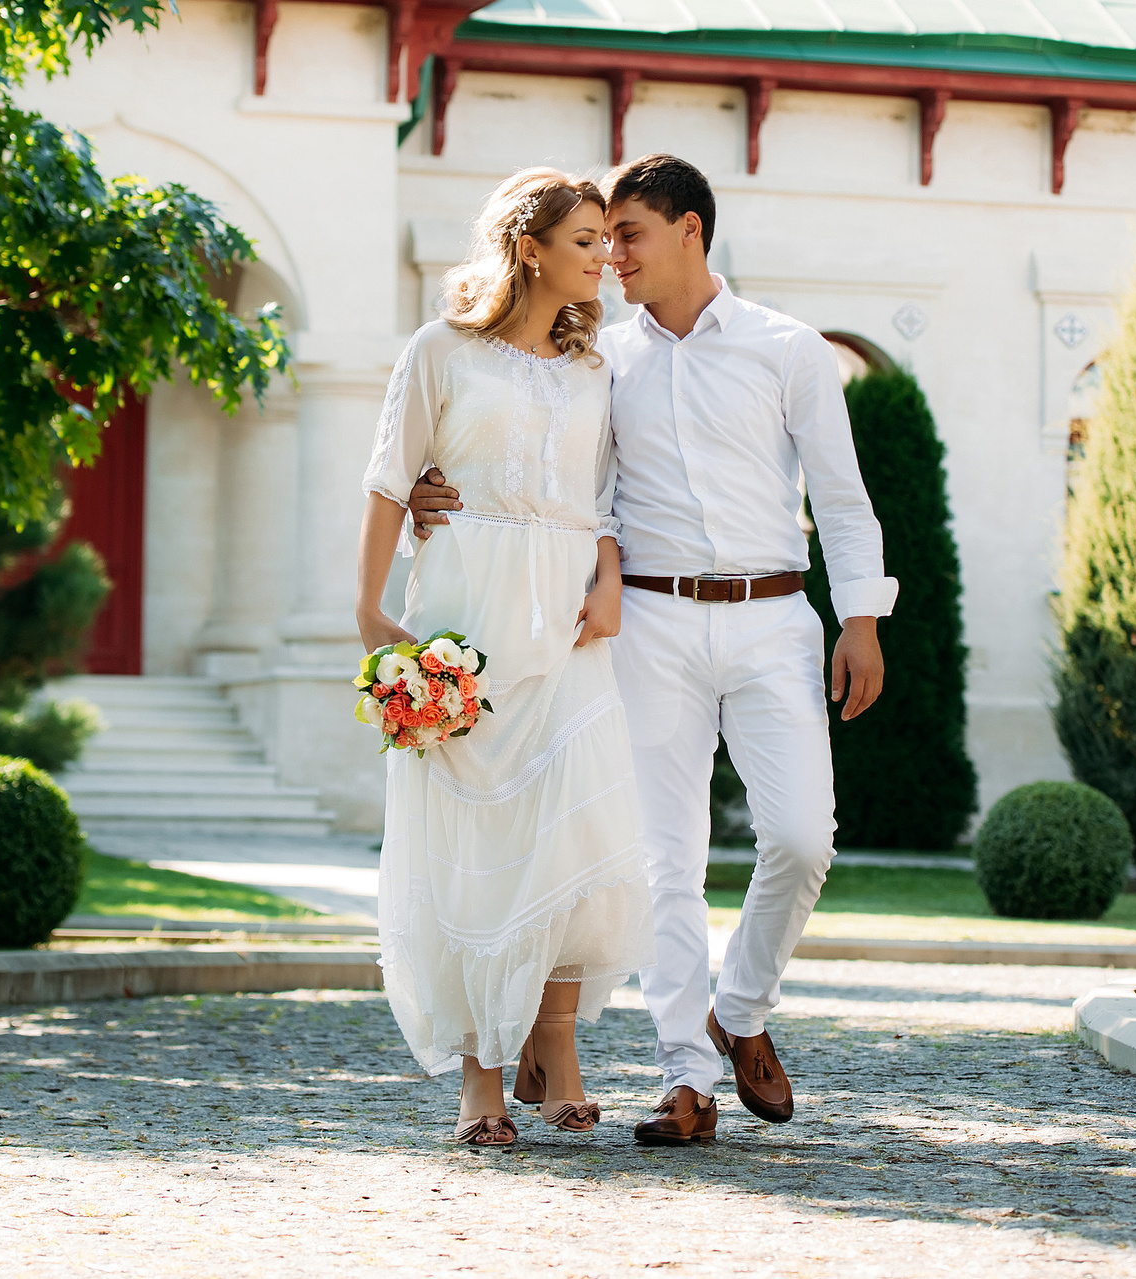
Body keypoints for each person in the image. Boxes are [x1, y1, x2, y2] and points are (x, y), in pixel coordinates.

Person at [413, 153, 892, 1147]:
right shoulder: (602, 361)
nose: (612, 256)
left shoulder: (788, 349)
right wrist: (431, 488)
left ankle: (740, 1009)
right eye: (600, 238)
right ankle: (686, 1078)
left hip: (772, 615)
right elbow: (540, 462)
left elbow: (843, 499)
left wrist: (861, 617)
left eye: (627, 234)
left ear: (689, 230)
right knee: (666, 861)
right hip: (649, 621)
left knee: (802, 838)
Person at [355, 167, 654, 1148]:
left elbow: (603, 496)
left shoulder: (593, 368)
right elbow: (391, 479)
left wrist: (608, 576)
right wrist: (368, 610)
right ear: (530, 249)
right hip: (466, 614)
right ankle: (480, 1078)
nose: (603, 257)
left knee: (575, 836)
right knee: (477, 847)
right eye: (585, 239)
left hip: (567, 621)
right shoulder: (438, 350)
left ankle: (557, 1052)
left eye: (607, 239)